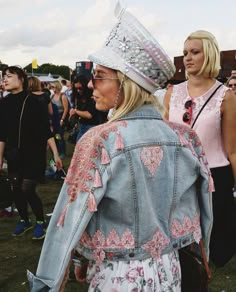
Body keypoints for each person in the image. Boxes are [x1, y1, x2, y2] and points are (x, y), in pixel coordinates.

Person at [28, 4, 213, 291]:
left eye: (100, 76)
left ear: (127, 83)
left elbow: (70, 217)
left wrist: (52, 279)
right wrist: (203, 254)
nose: (91, 84)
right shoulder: (186, 138)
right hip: (169, 269)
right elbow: (202, 205)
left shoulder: (100, 139)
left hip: (117, 275)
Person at [164, 30, 236, 267]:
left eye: (195, 52)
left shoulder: (226, 96)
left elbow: (232, 149)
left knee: (209, 243)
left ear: (210, 54)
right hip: (176, 175)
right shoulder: (172, 93)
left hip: (215, 178)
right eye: (185, 53)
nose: (187, 58)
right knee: (178, 242)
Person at [0, 66, 62, 239]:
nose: (5, 79)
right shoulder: (4, 103)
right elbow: (2, 133)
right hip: (13, 154)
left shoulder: (33, 101)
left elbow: (45, 130)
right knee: (16, 189)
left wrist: (56, 154)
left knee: (27, 188)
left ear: (21, 79)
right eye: (4, 76)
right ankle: (25, 220)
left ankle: (41, 222)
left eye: (9, 76)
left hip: (33, 154)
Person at [69, 75, 107, 143]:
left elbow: (89, 115)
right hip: (82, 126)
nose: (78, 91)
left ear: (85, 86)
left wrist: (75, 111)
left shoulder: (93, 96)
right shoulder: (78, 98)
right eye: (76, 88)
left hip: (92, 126)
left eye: (80, 88)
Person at [50, 80, 69, 159]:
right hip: (54, 119)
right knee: (55, 136)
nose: (52, 89)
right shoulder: (52, 96)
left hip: (60, 118)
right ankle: (57, 152)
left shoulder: (63, 96)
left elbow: (66, 109)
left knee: (59, 136)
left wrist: (62, 120)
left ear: (57, 87)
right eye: (51, 87)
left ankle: (62, 153)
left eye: (53, 87)